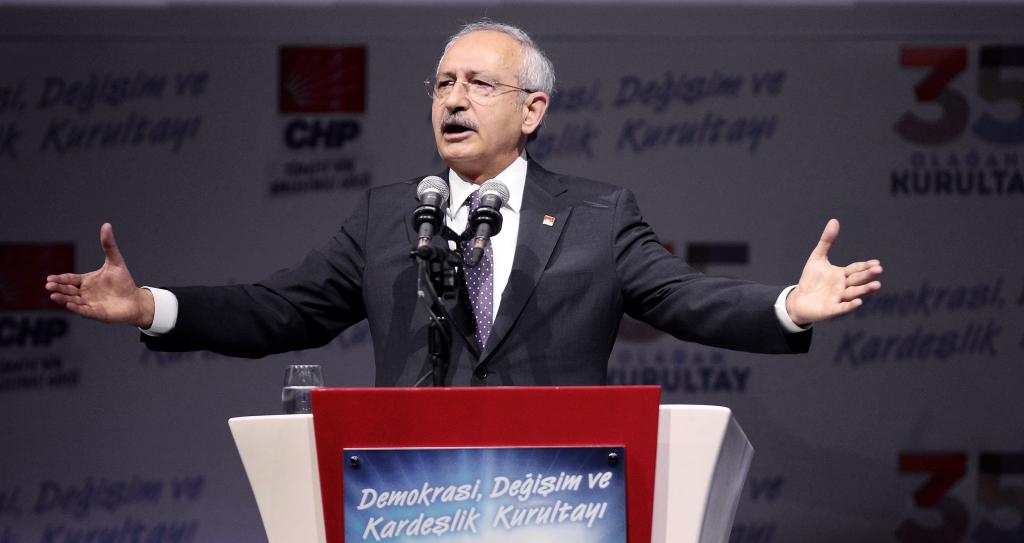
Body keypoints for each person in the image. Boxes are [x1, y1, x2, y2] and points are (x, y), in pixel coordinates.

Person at [44, 20, 882, 386]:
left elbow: (686, 299)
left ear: (533, 110)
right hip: (408, 493)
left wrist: (788, 306)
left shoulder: (596, 215)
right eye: (443, 83)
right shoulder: (388, 216)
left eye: (479, 84)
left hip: (557, 492)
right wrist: (151, 306)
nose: (453, 98)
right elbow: (281, 309)